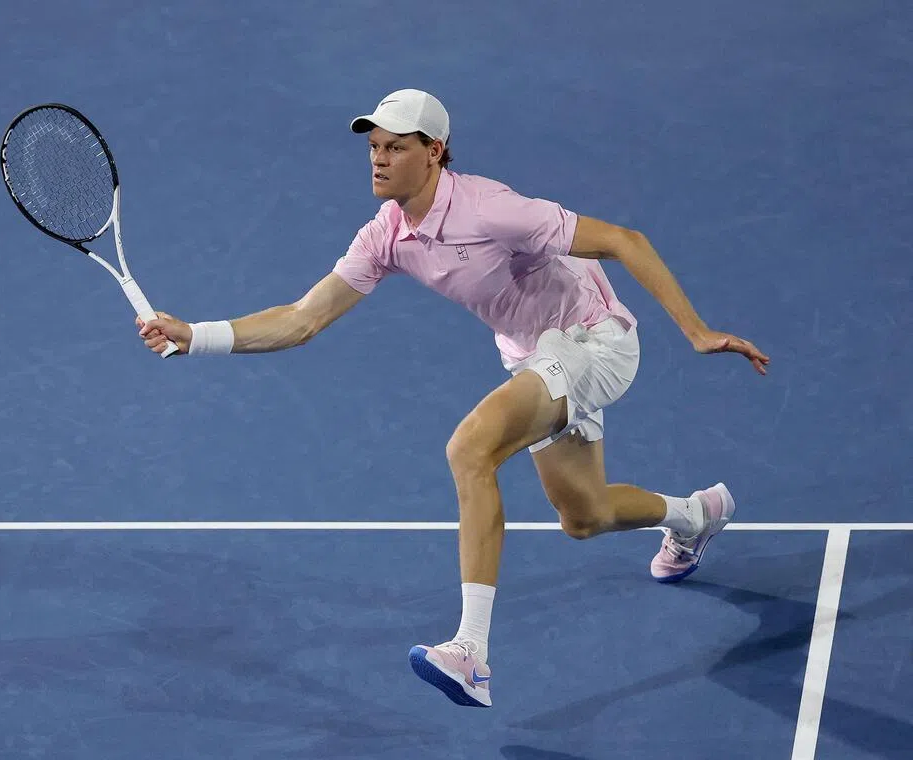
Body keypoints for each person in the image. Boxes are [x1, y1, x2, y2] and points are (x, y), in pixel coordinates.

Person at [137, 89, 770, 708]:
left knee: (470, 448)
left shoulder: (490, 209)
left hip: (593, 342)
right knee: (585, 516)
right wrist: (195, 337)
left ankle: (470, 652)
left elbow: (625, 240)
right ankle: (695, 516)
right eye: (374, 148)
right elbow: (302, 318)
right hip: (534, 355)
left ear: (435, 151)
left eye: (395, 147)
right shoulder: (386, 232)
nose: (378, 160)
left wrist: (696, 331)